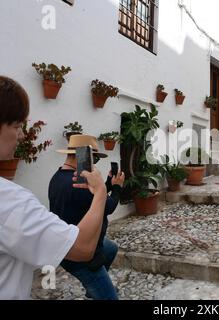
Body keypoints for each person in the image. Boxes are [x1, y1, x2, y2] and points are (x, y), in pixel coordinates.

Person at [0, 76, 107, 300]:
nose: (21, 135)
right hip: (73, 253)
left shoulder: (56, 177)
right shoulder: (10, 200)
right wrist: (104, 192)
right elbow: (83, 246)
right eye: (18, 126)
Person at [48, 135, 125, 300]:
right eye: (94, 158)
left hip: (66, 244)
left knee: (110, 248)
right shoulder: (78, 184)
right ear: (83, 157)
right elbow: (109, 206)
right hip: (83, 256)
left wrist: (108, 184)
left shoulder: (58, 177)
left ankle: (93, 290)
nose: (94, 163)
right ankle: (96, 285)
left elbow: (94, 195)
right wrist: (117, 188)